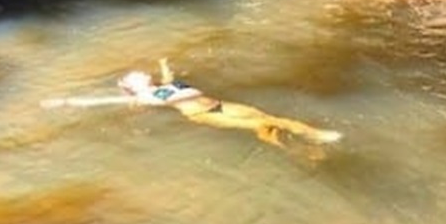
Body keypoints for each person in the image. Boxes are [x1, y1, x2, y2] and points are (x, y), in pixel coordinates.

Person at [117, 59, 343, 146]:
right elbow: (157, 101)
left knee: (266, 118)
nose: (140, 72)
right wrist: (188, 95)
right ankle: (309, 139)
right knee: (258, 125)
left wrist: (164, 65)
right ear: (134, 86)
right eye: (134, 75)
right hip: (203, 114)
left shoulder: (161, 86)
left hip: (220, 103)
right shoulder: (147, 96)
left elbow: (169, 81)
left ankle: (306, 139)